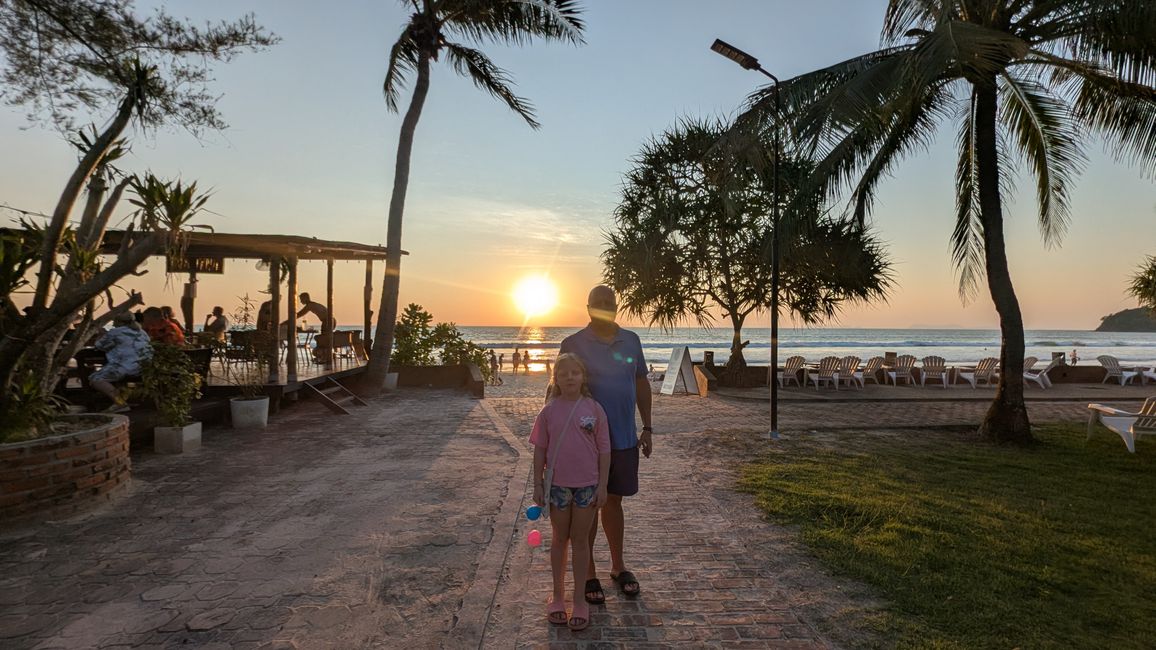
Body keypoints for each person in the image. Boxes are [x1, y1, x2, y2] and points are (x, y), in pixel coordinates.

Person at [559, 285, 652, 604]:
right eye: (597, 303)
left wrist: (648, 427)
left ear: (616, 306)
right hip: (586, 446)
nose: (603, 307)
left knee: (614, 503)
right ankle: (589, 573)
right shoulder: (572, 344)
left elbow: (641, 382)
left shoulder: (632, 340)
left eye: (608, 303)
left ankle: (618, 566)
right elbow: (558, 390)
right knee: (586, 508)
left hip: (624, 439)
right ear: (588, 308)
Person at [530, 353, 610, 631]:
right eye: (563, 373)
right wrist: (538, 484)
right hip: (558, 488)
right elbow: (539, 450)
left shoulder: (594, 408)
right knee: (559, 539)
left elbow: (604, 451)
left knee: (580, 540)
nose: (569, 377)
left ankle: (579, 600)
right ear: (556, 379)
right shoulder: (549, 411)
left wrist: (602, 486)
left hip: (587, 487)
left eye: (575, 372)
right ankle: (557, 596)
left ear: (582, 376)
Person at [90, 311, 153, 412]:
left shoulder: (115, 332)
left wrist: (101, 334)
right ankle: (122, 398)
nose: (113, 324)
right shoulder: (142, 332)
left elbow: (98, 346)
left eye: (114, 321)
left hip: (126, 367)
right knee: (113, 373)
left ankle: (120, 403)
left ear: (118, 322)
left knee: (96, 379)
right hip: (144, 367)